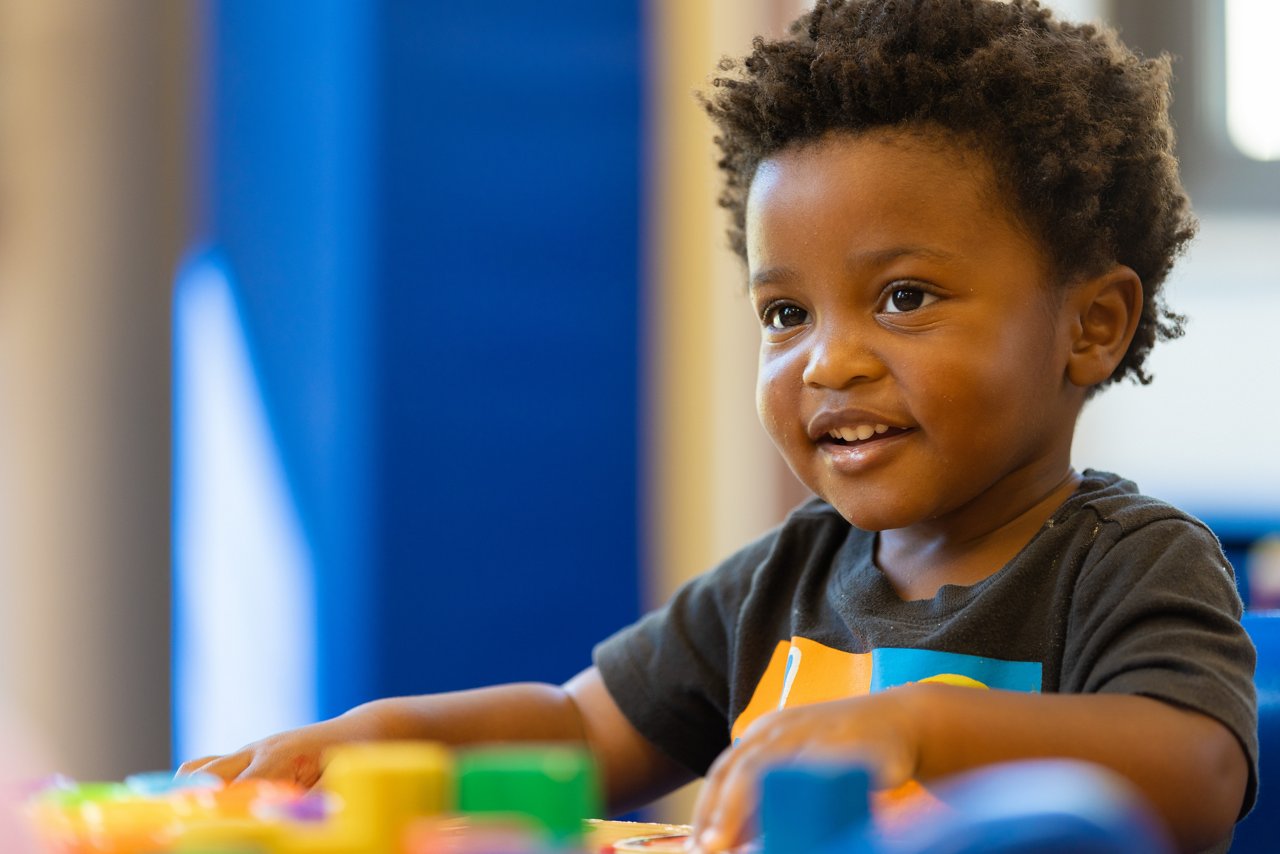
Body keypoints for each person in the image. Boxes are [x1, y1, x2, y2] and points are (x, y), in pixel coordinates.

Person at [179, 1, 1257, 851]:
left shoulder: (1128, 562)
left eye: (903, 297)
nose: (826, 359)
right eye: (784, 313)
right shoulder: (778, 580)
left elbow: (1194, 768)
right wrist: (392, 737)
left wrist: (918, 725)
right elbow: (580, 729)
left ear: (1090, 324)